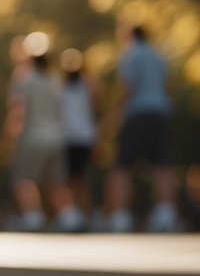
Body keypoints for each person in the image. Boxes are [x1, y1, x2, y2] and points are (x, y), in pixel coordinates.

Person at [104, 23, 178, 232]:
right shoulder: (158, 56)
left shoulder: (131, 55)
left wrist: (115, 114)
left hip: (138, 113)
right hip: (160, 113)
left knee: (122, 166)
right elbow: (167, 87)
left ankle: (120, 216)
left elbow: (128, 87)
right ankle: (167, 213)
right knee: (161, 164)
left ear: (129, 35)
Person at [1, 47, 77, 231]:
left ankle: (33, 217)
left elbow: (17, 111)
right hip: (56, 137)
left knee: (23, 179)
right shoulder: (55, 80)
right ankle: (70, 218)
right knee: (56, 182)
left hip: (32, 137)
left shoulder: (23, 78)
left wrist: (8, 139)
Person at [59, 48, 98, 229]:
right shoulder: (65, 85)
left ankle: (83, 213)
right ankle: (76, 214)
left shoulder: (80, 84)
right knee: (74, 178)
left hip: (79, 137)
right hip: (74, 136)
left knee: (78, 178)